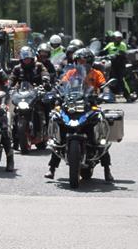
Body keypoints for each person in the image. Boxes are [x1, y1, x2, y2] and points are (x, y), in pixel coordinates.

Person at [45, 49, 114, 182]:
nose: (80, 63)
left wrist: (105, 93)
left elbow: (104, 85)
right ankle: (52, 168)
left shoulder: (96, 73)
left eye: (83, 61)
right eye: (78, 61)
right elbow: (62, 84)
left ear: (89, 61)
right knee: (59, 130)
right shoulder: (71, 73)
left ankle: (107, 169)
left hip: (90, 105)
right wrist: (56, 91)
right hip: (72, 104)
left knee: (100, 135)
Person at [9, 46, 51, 151]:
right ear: (21, 59)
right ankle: (15, 139)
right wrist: (9, 85)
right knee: (14, 113)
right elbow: (12, 78)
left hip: (36, 93)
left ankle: (47, 131)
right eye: (25, 58)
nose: (27, 60)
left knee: (47, 106)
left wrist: (45, 80)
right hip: (22, 94)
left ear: (32, 58)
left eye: (28, 58)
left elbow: (45, 73)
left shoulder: (39, 66)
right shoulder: (17, 68)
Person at [102, 31, 129, 98]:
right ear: (113, 38)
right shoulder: (110, 44)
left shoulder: (122, 44)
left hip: (120, 64)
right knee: (109, 78)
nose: (118, 40)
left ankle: (127, 96)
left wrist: (119, 54)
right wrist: (100, 53)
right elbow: (104, 50)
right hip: (111, 64)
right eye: (117, 38)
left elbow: (123, 52)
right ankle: (109, 95)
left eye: (120, 38)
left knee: (120, 79)